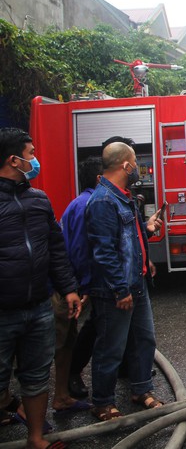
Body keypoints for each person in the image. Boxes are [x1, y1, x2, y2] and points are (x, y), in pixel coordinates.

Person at [0, 127, 82, 449]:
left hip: (38, 307)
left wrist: (69, 288)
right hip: (2, 311)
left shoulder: (39, 199)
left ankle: (36, 439)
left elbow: (55, 248)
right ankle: (9, 405)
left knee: (36, 376)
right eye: (31, 154)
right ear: (14, 160)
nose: (35, 160)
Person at [85, 141, 163, 421]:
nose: (137, 169)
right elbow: (103, 252)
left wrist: (147, 230)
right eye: (135, 163)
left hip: (136, 283)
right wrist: (120, 289)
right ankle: (102, 403)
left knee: (144, 339)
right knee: (111, 346)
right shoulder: (104, 201)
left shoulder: (122, 196)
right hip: (115, 290)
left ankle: (141, 389)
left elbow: (127, 238)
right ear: (125, 166)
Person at [54, 157, 103, 413]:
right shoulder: (91, 204)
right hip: (80, 282)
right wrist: (85, 287)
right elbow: (81, 249)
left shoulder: (76, 203)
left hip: (73, 281)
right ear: (99, 178)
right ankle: (72, 378)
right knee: (89, 328)